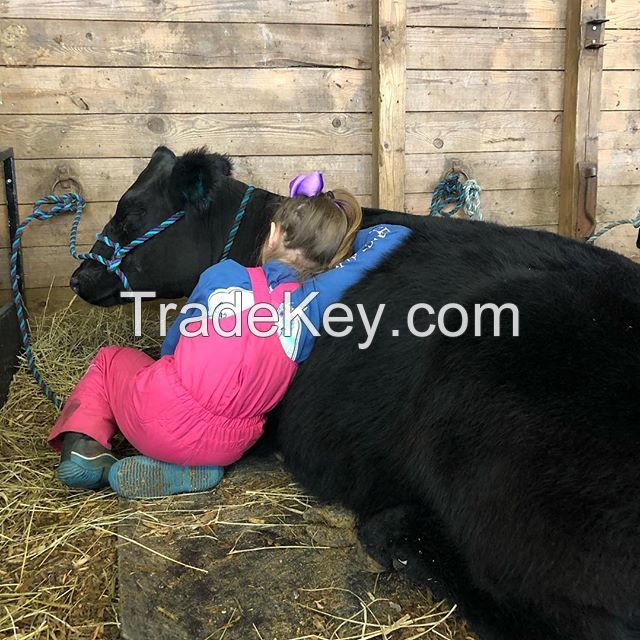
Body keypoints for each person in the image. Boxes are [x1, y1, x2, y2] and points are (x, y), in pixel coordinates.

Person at [48, 172, 411, 498]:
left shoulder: (224, 275)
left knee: (111, 359)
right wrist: (341, 240)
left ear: (273, 232)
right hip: (232, 444)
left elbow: (173, 347)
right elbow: (396, 235)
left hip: (159, 417)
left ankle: (85, 446)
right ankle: (189, 469)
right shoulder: (314, 305)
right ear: (329, 262)